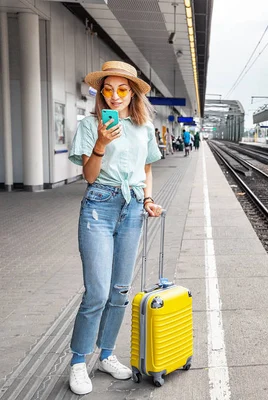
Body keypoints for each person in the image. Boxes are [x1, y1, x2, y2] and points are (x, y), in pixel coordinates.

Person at [67, 61, 163, 395]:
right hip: (99, 207)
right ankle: (79, 362)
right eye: (107, 89)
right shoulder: (90, 125)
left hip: (134, 208)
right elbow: (90, 176)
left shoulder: (144, 127)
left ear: (132, 92)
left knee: (119, 291)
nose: (114, 96)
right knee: (97, 291)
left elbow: (147, 169)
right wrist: (101, 144)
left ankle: (106, 354)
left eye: (122, 89)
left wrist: (149, 199)